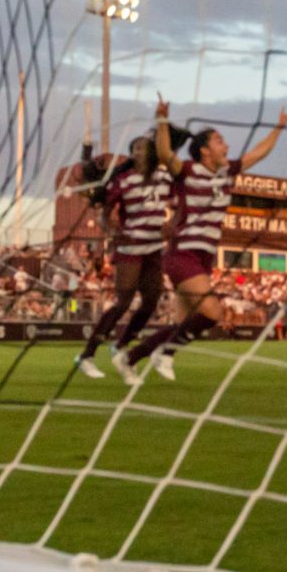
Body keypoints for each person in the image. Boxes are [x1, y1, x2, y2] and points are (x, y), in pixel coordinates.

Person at [117, 110, 287, 382]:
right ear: (204, 151)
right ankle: (165, 354)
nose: (227, 145)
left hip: (202, 259)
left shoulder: (227, 171)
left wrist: (279, 127)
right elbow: (164, 152)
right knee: (213, 313)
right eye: (220, 141)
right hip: (182, 254)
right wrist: (162, 121)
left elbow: (258, 153)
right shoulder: (187, 171)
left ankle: (130, 357)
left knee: (182, 323)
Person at [77, 104, 175, 380]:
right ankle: (86, 355)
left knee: (151, 301)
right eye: (135, 149)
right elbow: (105, 212)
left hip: (154, 247)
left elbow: (178, 205)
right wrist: (112, 230)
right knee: (123, 300)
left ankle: (120, 346)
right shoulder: (124, 180)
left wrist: (172, 223)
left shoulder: (165, 177)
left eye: (143, 147)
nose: (138, 152)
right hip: (131, 247)